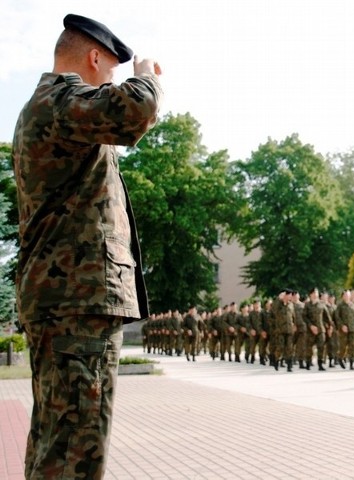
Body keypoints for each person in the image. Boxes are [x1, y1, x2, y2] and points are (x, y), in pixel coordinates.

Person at [11, 13, 162, 478]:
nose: (112, 81)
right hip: (76, 297)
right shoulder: (60, 100)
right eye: (110, 72)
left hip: (65, 298)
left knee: (57, 438)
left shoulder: (49, 107)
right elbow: (134, 111)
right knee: (77, 447)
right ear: (94, 58)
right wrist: (146, 79)